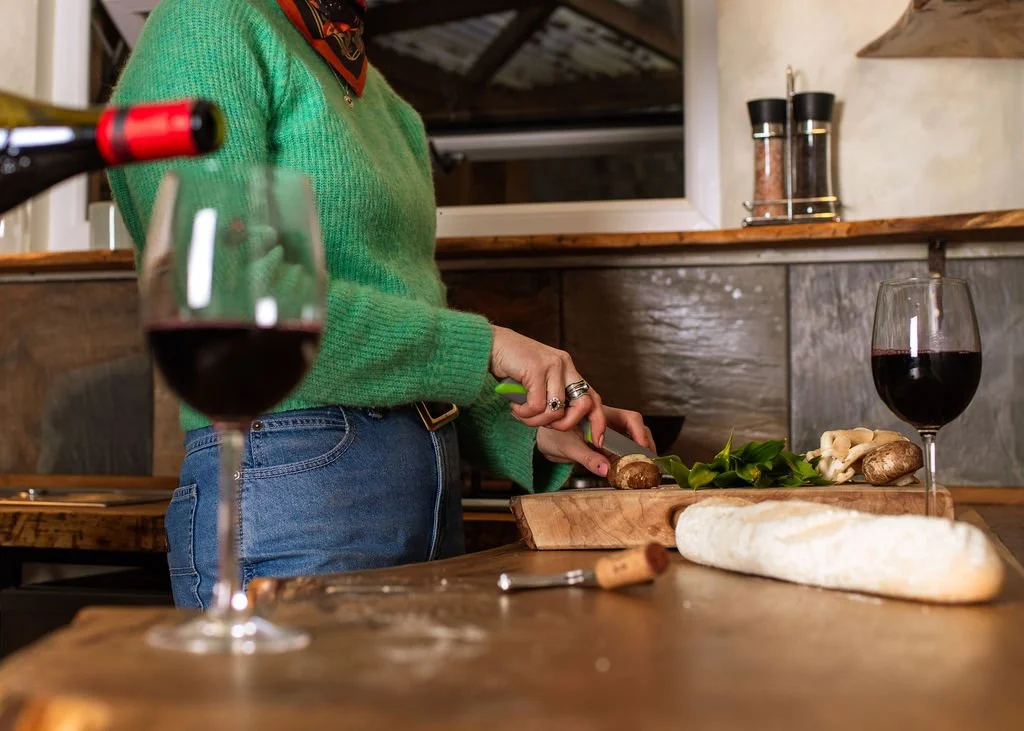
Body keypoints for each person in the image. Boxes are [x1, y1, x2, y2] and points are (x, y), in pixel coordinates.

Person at [108, 0, 655, 610]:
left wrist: (528, 427)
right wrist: (488, 347)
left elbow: (408, 327)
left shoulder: (381, 98)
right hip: (288, 498)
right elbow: (230, 301)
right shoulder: (205, 23)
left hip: (427, 502)